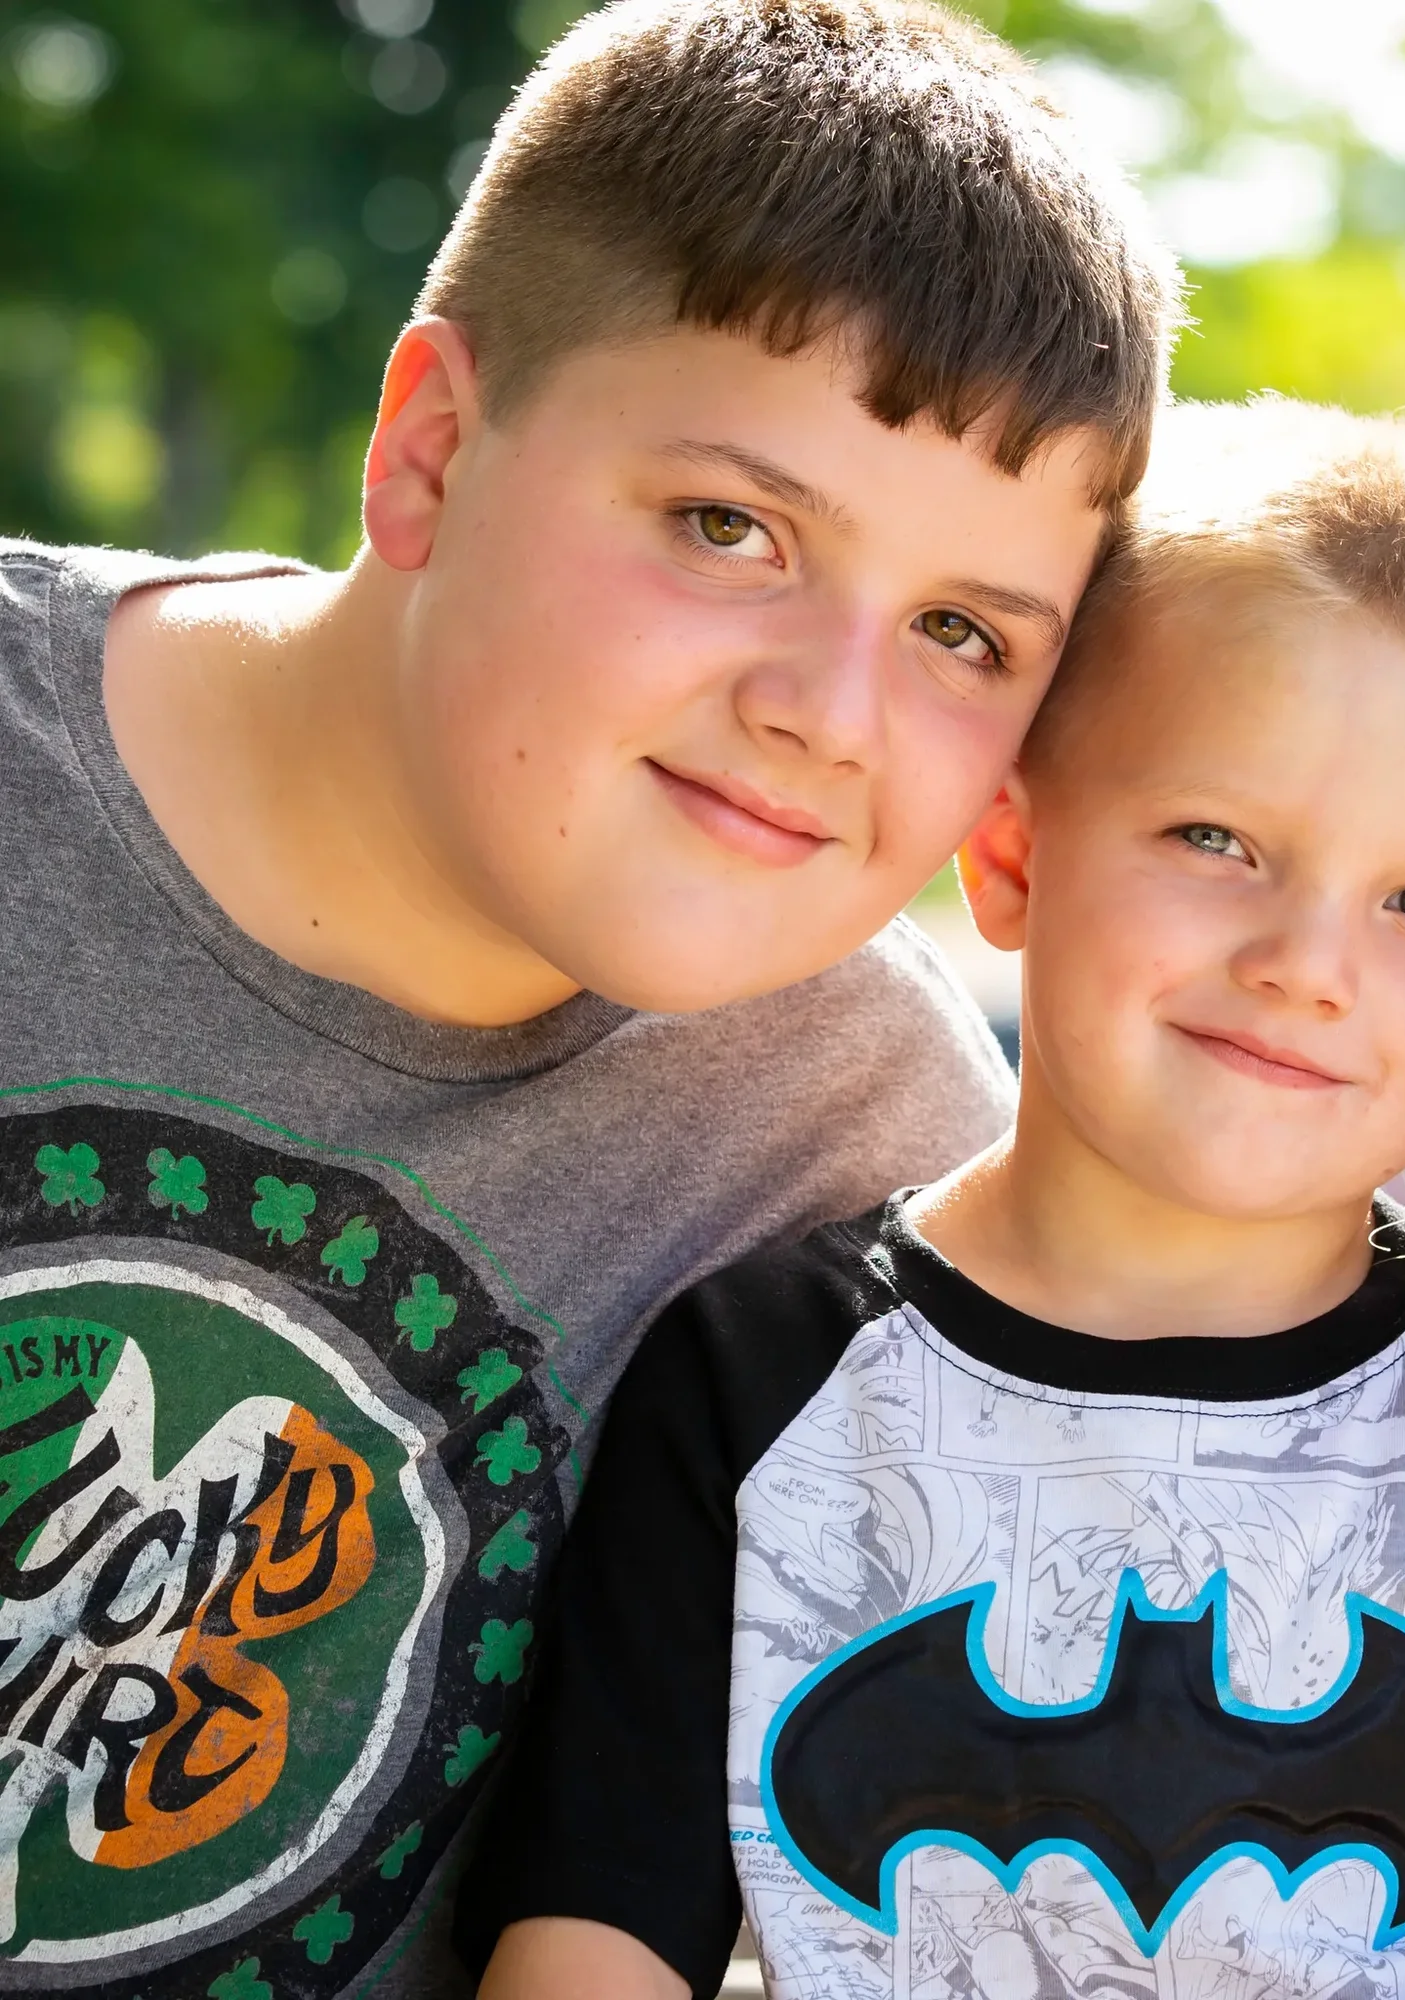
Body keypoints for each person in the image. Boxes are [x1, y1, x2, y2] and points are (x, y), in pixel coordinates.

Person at [0, 2, 1177, 1994]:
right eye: (734, 528)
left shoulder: (862, 1160)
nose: (827, 709)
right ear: (434, 453)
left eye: (966, 632)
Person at [454, 399, 1405, 2000]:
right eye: (1217, 839)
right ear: (1013, 856)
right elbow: (591, 1939)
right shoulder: (761, 1379)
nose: (1306, 966)